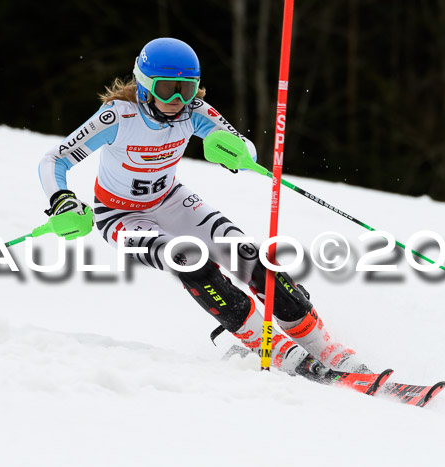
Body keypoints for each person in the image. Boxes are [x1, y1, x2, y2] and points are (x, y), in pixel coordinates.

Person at [38, 37, 367, 377]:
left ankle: (324, 346)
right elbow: (54, 160)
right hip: (120, 216)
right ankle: (269, 345)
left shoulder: (192, 110)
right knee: (187, 259)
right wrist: (61, 200)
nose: (178, 100)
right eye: (168, 89)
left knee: (248, 255)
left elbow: (245, 147)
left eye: (188, 88)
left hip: (172, 200)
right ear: (144, 85)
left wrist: (237, 153)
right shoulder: (118, 117)